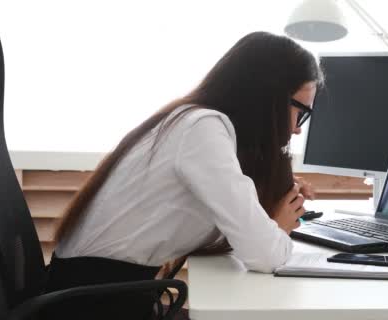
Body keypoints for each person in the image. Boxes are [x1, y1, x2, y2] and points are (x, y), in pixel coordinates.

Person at [44, 31, 323, 319]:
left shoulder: (192, 121)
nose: (297, 129)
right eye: (300, 112)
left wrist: (269, 195)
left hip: (97, 293)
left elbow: (233, 215)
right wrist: (278, 227)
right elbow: (265, 254)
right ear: (267, 98)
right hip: (92, 306)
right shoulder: (202, 130)